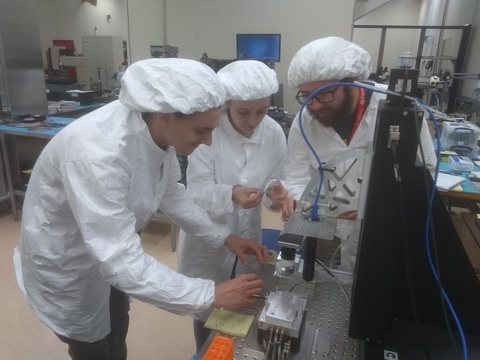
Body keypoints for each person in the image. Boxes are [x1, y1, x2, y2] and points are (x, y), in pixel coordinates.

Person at [13, 58, 267, 360]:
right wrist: (209, 294)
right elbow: (118, 257)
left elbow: (172, 195)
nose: (208, 141)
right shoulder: (99, 155)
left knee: (115, 324)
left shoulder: (156, 132)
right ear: (166, 116)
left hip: (107, 253)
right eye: (201, 130)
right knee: (92, 346)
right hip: (70, 263)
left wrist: (224, 237)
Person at [276, 37, 437, 267]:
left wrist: (369, 205)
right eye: (307, 95)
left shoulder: (398, 108)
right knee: (324, 282)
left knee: (374, 288)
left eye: (324, 94)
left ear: (351, 82)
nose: (315, 105)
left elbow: (426, 173)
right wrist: (298, 199)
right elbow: (297, 172)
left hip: (381, 227)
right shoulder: (305, 119)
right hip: (325, 228)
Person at [176, 60, 287, 353]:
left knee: (241, 302)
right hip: (207, 235)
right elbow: (197, 191)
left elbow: (277, 177)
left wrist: (276, 193)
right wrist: (232, 193)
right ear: (227, 103)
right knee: (209, 303)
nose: (253, 120)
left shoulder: (273, 132)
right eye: (243, 112)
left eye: (261, 111)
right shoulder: (208, 130)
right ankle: (205, 349)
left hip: (247, 232)